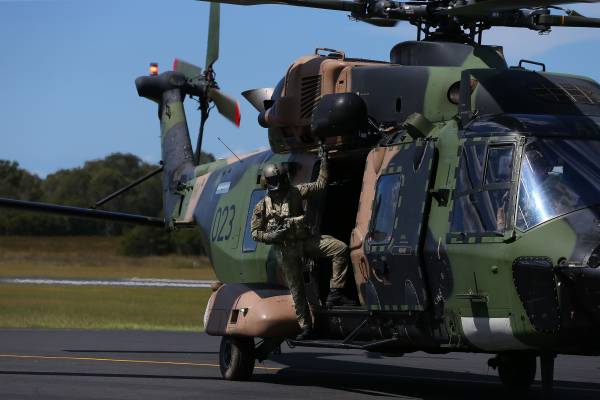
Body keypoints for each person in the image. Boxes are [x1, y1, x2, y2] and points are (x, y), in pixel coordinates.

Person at [250, 148, 355, 340]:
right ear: (268, 183)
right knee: (297, 290)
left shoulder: (296, 192)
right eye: (275, 181)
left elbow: (320, 184)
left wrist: (324, 162)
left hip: (305, 242)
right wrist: (272, 236)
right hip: (286, 251)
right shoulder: (262, 206)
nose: (279, 185)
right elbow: (255, 233)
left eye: (281, 179)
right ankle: (306, 326)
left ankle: (335, 292)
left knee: (340, 248)